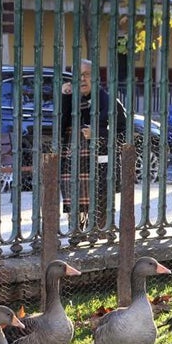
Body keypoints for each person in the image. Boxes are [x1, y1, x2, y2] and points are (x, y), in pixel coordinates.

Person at [60, 59, 126, 232]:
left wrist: (99, 134)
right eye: (78, 75)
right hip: (72, 167)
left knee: (101, 217)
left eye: (87, 74)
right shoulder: (69, 100)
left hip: (101, 167)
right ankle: (77, 234)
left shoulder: (110, 102)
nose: (82, 79)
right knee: (76, 216)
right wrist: (64, 98)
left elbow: (124, 135)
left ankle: (102, 239)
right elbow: (57, 129)